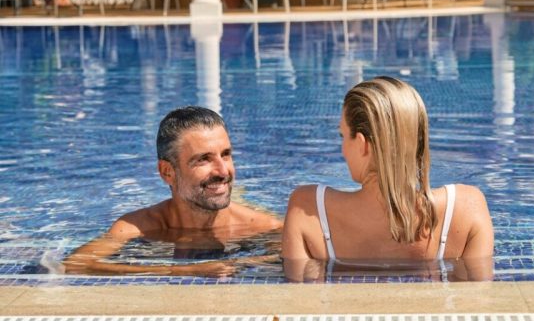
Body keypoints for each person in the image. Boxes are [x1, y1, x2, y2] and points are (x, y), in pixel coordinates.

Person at [282, 76, 494, 281]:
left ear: (363, 144)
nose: (342, 149)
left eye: (343, 136)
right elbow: (474, 304)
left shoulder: (307, 210)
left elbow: (303, 303)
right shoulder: (467, 209)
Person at [64, 106, 282, 276]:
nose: (223, 170)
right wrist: (180, 271)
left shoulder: (265, 227)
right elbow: (74, 265)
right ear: (167, 172)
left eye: (226, 154)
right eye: (204, 159)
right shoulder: (139, 227)